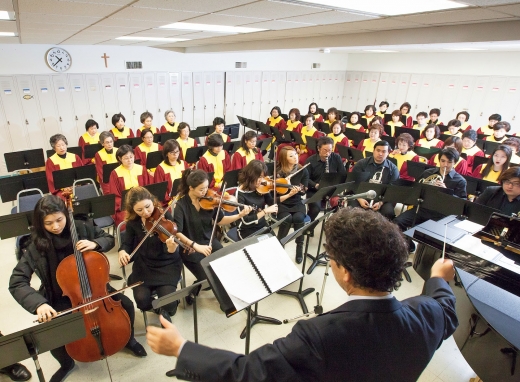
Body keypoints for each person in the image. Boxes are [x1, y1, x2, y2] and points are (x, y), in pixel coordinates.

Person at [146, 208, 458, 382]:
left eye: (331, 260)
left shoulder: (319, 335)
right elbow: (447, 307)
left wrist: (182, 349)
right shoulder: (426, 313)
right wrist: (437, 279)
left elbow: (249, 373)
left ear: (345, 273)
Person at [9, 196, 146, 382]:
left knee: (127, 305)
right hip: (60, 295)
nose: (56, 226)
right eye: (48, 223)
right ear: (40, 224)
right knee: (52, 333)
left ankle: (129, 340)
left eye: (59, 220)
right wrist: (39, 304)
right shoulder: (35, 245)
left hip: (95, 287)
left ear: (66, 214)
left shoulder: (81, 227)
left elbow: (108, 238)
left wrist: (96, 244)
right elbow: (17, 281)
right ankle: (67, 363)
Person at [118, 187, 183, 323]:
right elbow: (127, 244)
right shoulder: (132, 223)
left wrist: (171, 249)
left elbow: (172, 247)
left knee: (170, 305)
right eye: (139, 210)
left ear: (153, 201)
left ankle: (167, 308)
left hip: (167, 264)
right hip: (144, 266)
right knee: (142, 302)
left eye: (148, 207)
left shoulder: (165, 215)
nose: (146, 213)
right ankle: (160, 310)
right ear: (132, 210)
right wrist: (122, 251)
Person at [173, 169, 252, 282]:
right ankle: (196, 288)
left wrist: (239, 215)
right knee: (208, 279)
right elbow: (178, 233)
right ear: (191, 188)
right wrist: (196, 246)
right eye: (201, 189)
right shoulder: (180, 206)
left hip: (209, 240)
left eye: (206, 187)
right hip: (190, 247)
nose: (205, 191)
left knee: (225, 268)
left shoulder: (210, 200)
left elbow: (220, 220)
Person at [394, 148, 467, 234]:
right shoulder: (428, 173)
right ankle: (408, 245)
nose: (445, 165)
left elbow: (461, 204)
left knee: (424, 234)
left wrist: (446, 192)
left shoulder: (460, 181)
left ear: (455, 162)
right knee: (397, 222)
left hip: (440, 214)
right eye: (443, 161)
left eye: (449, 162)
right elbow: (415, 189)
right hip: (422, 209)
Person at [276, 146, 309, 263]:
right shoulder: (278, 171)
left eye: (295, 154)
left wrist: (299, 189)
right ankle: (280, 245)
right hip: (283, 202)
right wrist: (286, 186)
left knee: (299, 218)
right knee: (287, 219)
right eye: (291, 156)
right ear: (284, 159)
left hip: (297, 201)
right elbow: (275, 193)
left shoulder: (303, 170)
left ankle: (299, 248)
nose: (295, 157)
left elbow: (304, 190)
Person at [351, 140, 399, 219]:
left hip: (381, 198)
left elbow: (392, 189)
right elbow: (353, 183)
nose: (380, 154)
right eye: (378, 150)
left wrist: (381, 203)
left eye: (384, 151)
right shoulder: (361, 164)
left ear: (388, 153)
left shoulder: (393, 169)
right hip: (360, 195)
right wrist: (359, 198)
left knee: (388, 213)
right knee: (353, 211)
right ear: (373, 151)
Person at [305, 137, 346, 223]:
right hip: (314, 190)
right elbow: (305, 178)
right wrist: (315, 185)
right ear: (318, 148)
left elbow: (343, 173)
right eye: (325, 150)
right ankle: (308, 226)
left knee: (339, 208)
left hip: (331, 189)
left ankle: (332, 226)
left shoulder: (336, 157)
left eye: (330, 150)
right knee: (315, 209)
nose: (328, 153)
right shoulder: (310, 161)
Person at [109, 145, 150, 226]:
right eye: (126, 158)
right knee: (125, 220)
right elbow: (115, 195)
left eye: (131, 157)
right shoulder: (115, 173)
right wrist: (128, 205)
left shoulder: (141, 169)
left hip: (143, 201)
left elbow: (148, 188)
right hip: (126, 205)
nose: (129, 160)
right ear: (120, 159)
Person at [236, 160, 278, 239]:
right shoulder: (239, 194)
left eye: (262, 177)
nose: (261, 180)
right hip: (247, 230)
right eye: (259, 177)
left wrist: (289, 194)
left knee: (276, 245)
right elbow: (246, 221)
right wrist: (265, 211)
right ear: (250, 176)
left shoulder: (260, 187)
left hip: (262, 224)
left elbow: (271, 202)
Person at [45, 134, 82, 198]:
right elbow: (51, 178)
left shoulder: (75, 157)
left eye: (63, 145)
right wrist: (63, 188)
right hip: (61, 190)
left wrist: (76, 185)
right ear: (54, 148)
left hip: (77, 187)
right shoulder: (51, 161)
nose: (62, 148)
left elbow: (82, 173)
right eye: (58, 146)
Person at [154, 139, 190, 203]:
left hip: (186, 196)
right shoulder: (161, 168)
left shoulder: (184, 164)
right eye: (172, 152)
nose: (175, 154)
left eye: (177, 152)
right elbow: (160, 190)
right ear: (166, 154)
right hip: (170, 201)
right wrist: (170, 201)